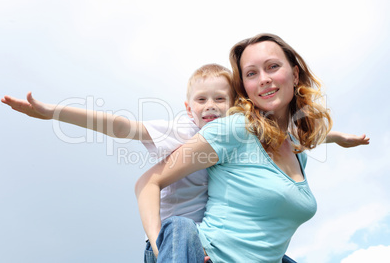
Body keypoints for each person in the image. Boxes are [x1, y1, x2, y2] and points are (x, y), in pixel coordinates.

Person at [2, 63, 368, 263]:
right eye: (202, 100)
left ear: (236, 105)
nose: (210, 106)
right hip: (174, 242)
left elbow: (293, 141)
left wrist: (339, 139)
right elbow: (118, 125)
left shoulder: (236, 137)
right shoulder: (179, 132)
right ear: (188, 107)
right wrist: (54, 113)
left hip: (217, 243)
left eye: (220, 99)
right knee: (180, 226)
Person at [135, 33, 369, 262]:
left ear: (295, 74)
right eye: (251, 73)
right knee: (180, 227)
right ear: (245, 88)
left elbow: (301, 137)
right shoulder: (233, 130)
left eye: (273, 66)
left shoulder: (297, 152)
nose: (264, 78)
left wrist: (337, 138)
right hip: (207, 256)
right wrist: (162, 250)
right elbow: (148, 183)